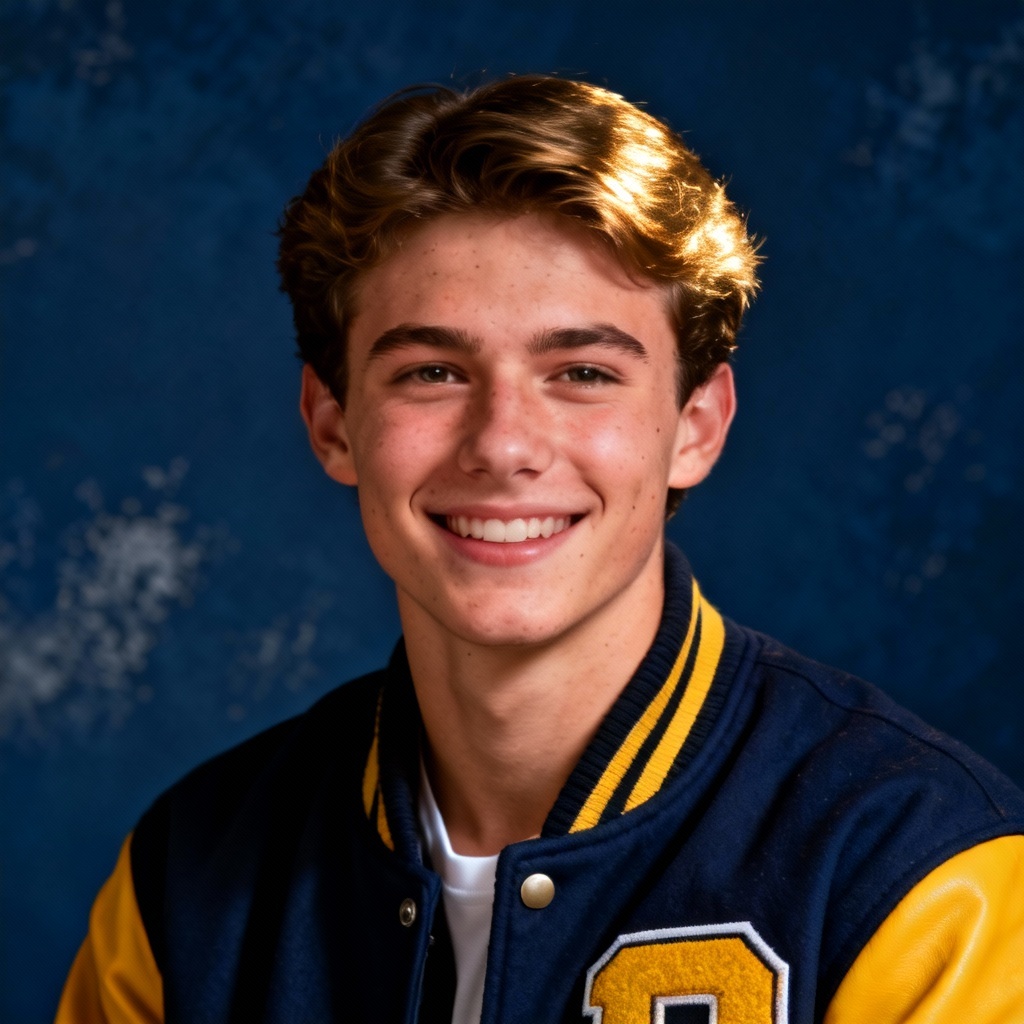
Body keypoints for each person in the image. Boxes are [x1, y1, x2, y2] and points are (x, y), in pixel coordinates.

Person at [56, 75, 1024, 1024]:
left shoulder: (924, 876)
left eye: (583, 372)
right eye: (432, 372)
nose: (503, 445)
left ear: (696, 425)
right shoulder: (184, 881)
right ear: (332, 421)